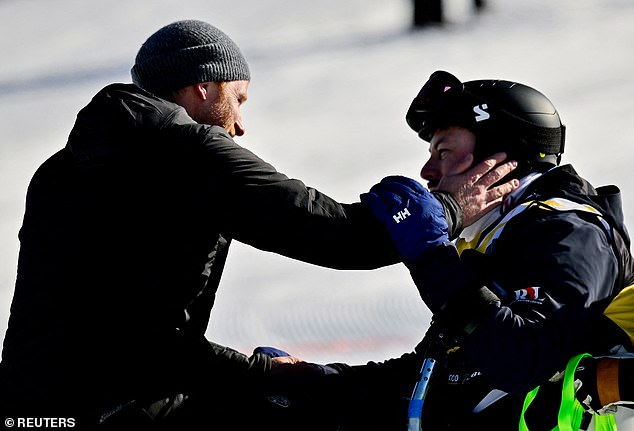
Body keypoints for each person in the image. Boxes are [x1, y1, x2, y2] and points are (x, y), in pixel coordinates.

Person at [0, 22, 517, 429]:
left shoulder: (60, 170)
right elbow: (341, 237)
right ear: (203, 86)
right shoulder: (193, 153)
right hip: (119, 407)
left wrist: (258, 369)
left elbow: (128, 334)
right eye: (238, 98)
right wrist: (450, 207)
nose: (240, 124)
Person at [262, 70, 634, 430]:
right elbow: (438, 382)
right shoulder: (501, 239)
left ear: (502, 160)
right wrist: (321, 384)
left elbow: (522, 357)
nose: (427, 170)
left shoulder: (570, 232)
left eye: (444, 150)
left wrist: (430, 256)